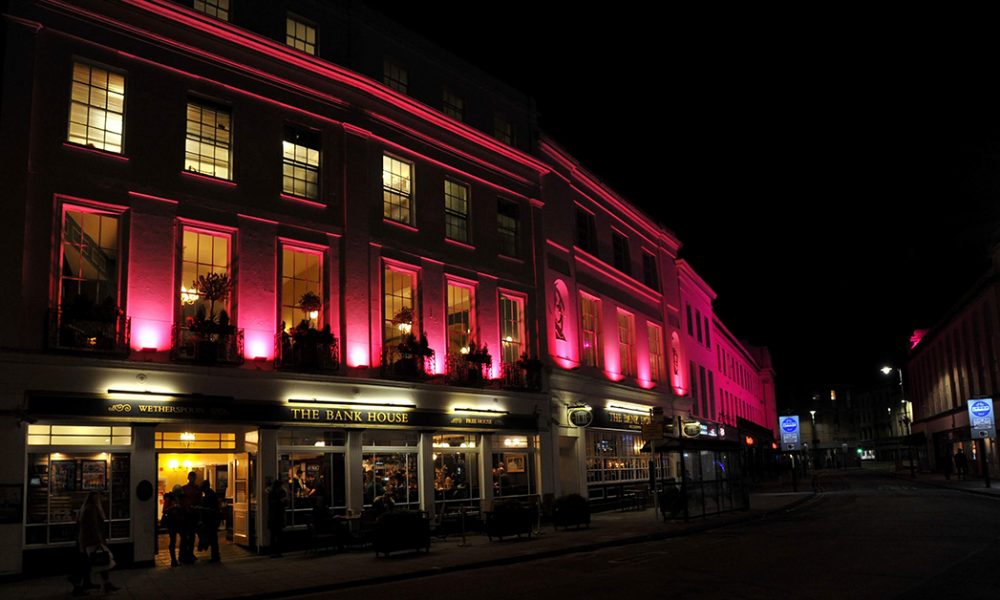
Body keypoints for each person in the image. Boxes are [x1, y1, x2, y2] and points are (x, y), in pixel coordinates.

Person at [70, 491, 119, 596]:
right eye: (99, 496)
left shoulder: (85, 508)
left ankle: (87, 584)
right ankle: (103, 584)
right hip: (92, 541)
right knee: (102, 561)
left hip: (85, 541)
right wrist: (99, 541)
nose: (101, 498)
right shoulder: (92, 508)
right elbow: (94, 526)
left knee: (90, 563)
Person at [179, 472, 202, 564]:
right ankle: (183, 555)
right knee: (185, 536)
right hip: (186, 515)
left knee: (191, 536)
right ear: (188, 477)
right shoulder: (184, 488)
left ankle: (189, 554)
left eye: (193, 477)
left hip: (193, 514)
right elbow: (181, 501)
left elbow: (199, 502)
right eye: (191, 477)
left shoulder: (197, 489)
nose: (192, 478)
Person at [198, 480, 222, 562]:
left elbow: (210, 509)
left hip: (211, 520)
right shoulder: (211, 494)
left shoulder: (210, 495)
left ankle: (215, 556)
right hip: (213, 519)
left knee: (212, 538)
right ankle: (215, 556)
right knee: (213, 538)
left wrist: (201, 508)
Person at [162, 486, 183, 566]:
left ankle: (179, 557)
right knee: (173, 540)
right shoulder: (169, 498)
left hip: (178, 521)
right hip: (172, 522)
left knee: (181, 538)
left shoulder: (179, 498)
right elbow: (164, 510)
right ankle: (173, 560)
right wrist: (173, 507)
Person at [266, 476, 287, 557]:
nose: (281, 487)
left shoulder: (279, 493)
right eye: (280, 486)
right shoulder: (272, 494)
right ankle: (274, 552)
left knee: (277, 535)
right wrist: (281, 502)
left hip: (276, 516)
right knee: (274, 535)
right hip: (274, 517)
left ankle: (277, 551)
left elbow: (283, 503)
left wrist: (284, 502)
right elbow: (272, 504)